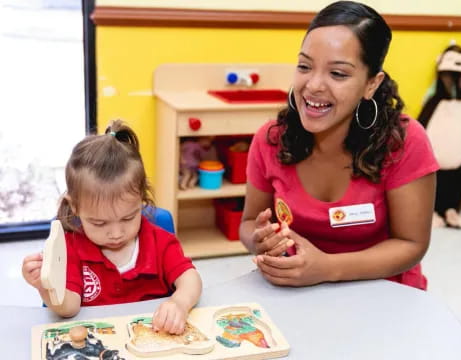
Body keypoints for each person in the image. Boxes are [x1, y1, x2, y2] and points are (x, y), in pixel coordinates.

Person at [239, 1, 439, 290]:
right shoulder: (270, 139)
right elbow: (247, 223)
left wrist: (327, 268)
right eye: (305, 66)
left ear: (371, 83)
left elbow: (412, 244)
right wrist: (258, 239)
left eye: (338, 74)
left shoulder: (403, 141)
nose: (314, 85)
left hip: (384, 293)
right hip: (298, 291)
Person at [22, 120, 202, 334]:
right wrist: (46, 286)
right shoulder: (71, 247)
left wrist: (180, 303)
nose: (116, 234)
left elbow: (191, 279)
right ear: (75, 207)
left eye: (128, 218)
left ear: (141, 200)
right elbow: (69, 308)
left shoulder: (159, 241)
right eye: (99, 223)